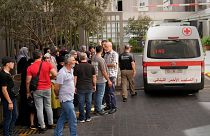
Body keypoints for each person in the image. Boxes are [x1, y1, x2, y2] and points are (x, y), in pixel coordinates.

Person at [26, 50, 57, 133]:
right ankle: (50, 123)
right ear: (41, 56)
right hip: (47, 87)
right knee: (48, 106)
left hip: (37, 90)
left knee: (39, 108)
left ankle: (42, 126)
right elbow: (55, 74)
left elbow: (28, 81)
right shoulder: (47, 64)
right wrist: (49, 78)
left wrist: (28, 92)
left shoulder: (30, 67)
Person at [54, 55, 77, 136]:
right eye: (73, 60)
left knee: (63, 117)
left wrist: (74, 88)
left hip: (70, 97)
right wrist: (57, 95)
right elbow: (56, 87)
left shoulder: (71, 70)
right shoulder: (62, 72)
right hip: (65, 99)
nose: (75, 61)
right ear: (68, 62)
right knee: (73, 118)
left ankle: (57, 134)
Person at [74, 52, 96, 122]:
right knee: (89, 102)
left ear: (79, 58)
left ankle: (82, 118)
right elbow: (94, 77)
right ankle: (88, 117)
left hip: (80, 87)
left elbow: (75, 78)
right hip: (89, 86)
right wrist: (94, 85)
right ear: (86, 58)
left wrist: (74, 87)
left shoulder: (77, 67)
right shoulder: (91, 66)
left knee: (81, 103)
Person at [91, 46, 112, 115]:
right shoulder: (101, 59)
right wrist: (108, 80)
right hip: (100, 80)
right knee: (100, 95)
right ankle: (99, 109)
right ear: (102, 50)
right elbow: (103, 71)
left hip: (94, 79)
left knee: (96, 95)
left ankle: (96, 109)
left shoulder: (93, 57)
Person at [0, 56, 17, 136]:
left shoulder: (8, 73)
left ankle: (10, 132)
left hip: (12, 98)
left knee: (15, 116)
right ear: (7, 64)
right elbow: (4, 89)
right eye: (12, 62)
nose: (13, 64)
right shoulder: (3, 75)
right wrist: (9, 102)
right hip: (8, 100)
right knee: (8, 118)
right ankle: (6, 134)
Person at [103, 41, 118, 114]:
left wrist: (104, 65)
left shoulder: (114, 54)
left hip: (112, 75)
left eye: (106, 46)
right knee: (106, 92)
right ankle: (108, 105)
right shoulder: (106, 54)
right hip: (106, 75)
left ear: (110, 46)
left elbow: (114, 64)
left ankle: (114, 107)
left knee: (111, 92)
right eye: (104, 46)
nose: (105, 48)